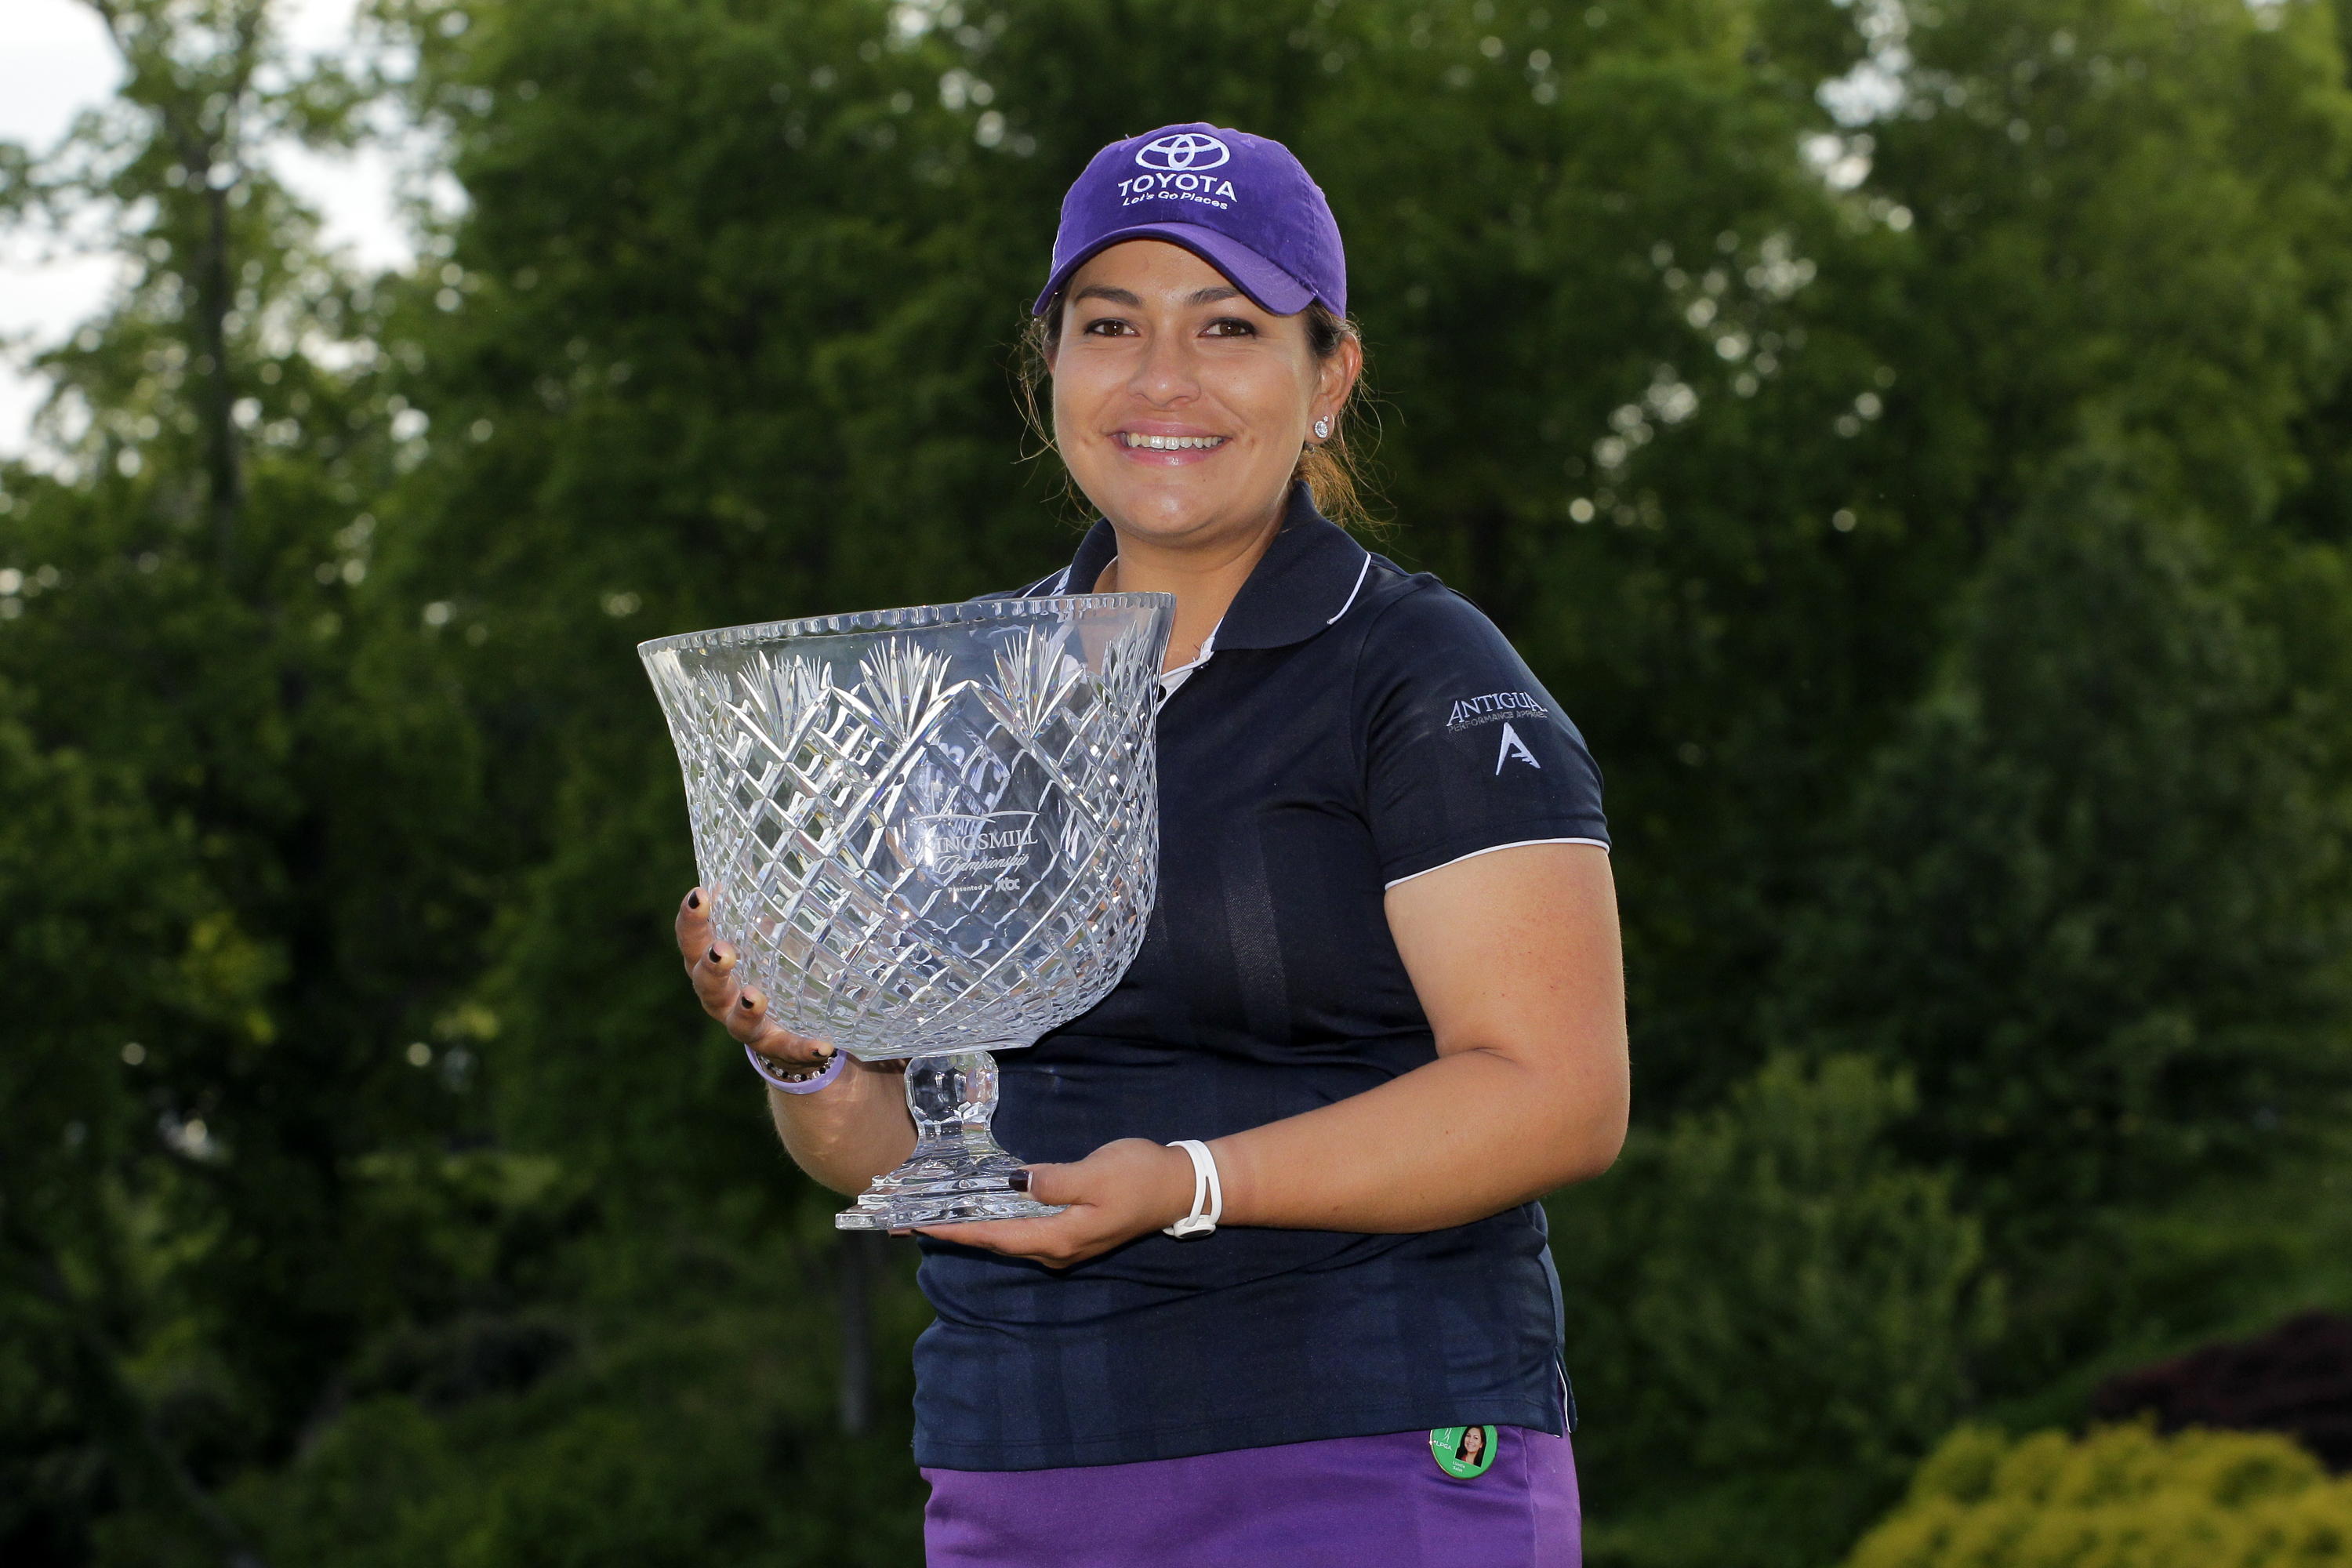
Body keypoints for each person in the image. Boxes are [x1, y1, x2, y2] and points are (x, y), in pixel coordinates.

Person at [674, 122, 1628, 1566]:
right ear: (1049, 365)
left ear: (1329, 379)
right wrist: (802, 1050)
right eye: (1110, 325)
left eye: (1228, 326)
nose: (1162, 378)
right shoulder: (963, 692)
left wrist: (1189, 1181)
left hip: (1370, 1449)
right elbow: (901, 1138)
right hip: (1022, 1462)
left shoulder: (1422, 672)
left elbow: (1559, 1096)